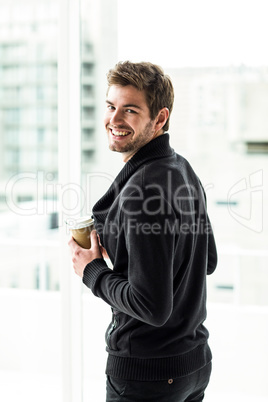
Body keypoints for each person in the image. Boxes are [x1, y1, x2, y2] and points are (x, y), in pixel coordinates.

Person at [68, 61, 218, 402]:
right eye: (111, 106)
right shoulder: (181, 169)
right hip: (192, 365)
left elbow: (152, 307)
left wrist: (90, 271)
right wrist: (133, 248)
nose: (114, 120)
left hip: (147, 376)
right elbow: (207, 259)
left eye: (130, 110)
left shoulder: (143, 190)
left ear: (160, 119)